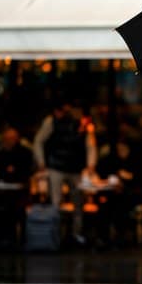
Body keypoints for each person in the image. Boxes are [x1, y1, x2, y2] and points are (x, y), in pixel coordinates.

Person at [32, 94, 97, 245]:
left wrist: (91, 164)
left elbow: (90, 145)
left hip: (75, 167)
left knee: (78, 202)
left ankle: (76, 233)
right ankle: (55, 234)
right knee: (56, 202)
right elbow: (39, 141)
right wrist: (41, 161)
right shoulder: (51, 121)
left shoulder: (83, 123)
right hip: (57, 166)